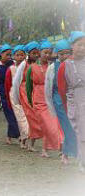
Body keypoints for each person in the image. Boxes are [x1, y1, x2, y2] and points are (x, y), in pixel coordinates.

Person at [26, 40, 63, 157]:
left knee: (53, 124)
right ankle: (57, 147)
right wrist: (30, 102)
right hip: (38, 101)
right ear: (39, 52)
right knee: (47, 124)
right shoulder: (32, 68)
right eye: (45, 52)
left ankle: (47, 149)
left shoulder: (53, 67)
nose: (47, 55)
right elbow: (28, 87)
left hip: (50, 100)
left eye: (49, 53)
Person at [45, 39, 77, 164]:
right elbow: (48, 88)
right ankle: (65, 154)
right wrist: (50, 105)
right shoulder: (53, 68)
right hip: (59, 100)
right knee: (68, 127)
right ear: (57, 54)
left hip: (73, 100)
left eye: (67, 53)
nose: (64, 56)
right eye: (61, 54)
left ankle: (69, 152)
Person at [58, 31, 85, 171]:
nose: (82, 48)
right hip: (75, 100)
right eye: (79, 45)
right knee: (81, 132)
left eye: (84, 45)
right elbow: (63, 88)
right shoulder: (65, 65)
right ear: (72, 46)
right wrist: (68, 105)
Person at [12, 41, 43, 152]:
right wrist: (16, 98)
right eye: (33, 53)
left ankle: (26, 141)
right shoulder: (24, 64)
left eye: (37, 53)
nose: (35, 55)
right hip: (25, 92)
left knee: (36, 117)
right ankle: (28, 143)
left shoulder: (38, 65)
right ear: (28, 53)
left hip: (35, 92)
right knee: (31, 117)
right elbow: (16, 81)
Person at [0, 44, 19, 144]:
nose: (9, 57)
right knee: (9, 114)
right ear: (1, 54)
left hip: (13, 90)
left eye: (10, 55)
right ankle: (18, 135)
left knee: (15, 113)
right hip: (3, 92)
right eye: (7, 55)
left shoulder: (13, 63)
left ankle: (9, 136)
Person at [5, 45, 29, 148]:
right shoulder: (11, 69)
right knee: (20, 118)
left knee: (27, 116)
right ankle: (25, 136)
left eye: (22, 55)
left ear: (25, 56)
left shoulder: (28, 67)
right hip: (14, 95)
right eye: (17, 55)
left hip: (26, 94)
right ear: (14, 56)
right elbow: (7, 85)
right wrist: (8, 100)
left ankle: (24, 139)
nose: (20, 57)